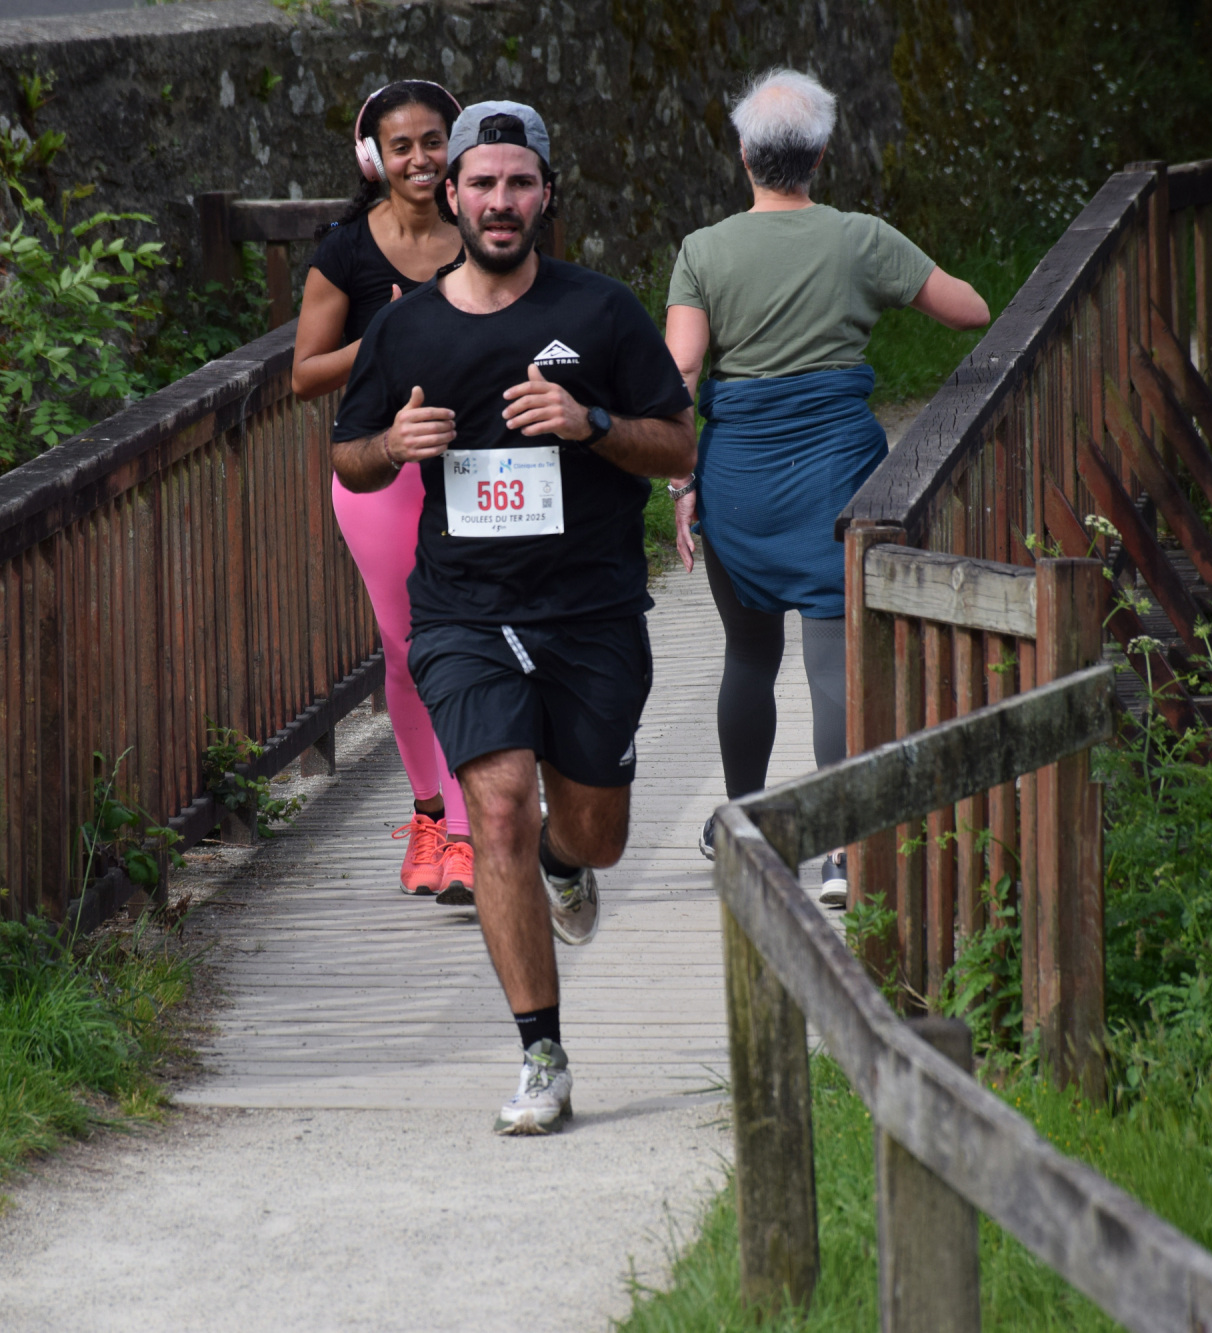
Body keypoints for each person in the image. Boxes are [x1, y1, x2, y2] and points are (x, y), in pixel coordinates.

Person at [331, 100, 696, 1134]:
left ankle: (566, 865)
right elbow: (348, 456)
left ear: (545, 196)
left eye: (519, 183)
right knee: (495, 812)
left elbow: (679, 444)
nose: (500, 201)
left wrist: (590, 423)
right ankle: (542, 1054)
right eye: (482, 183)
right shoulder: (405, 326)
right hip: (463, 612)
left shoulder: (601, 312)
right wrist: (393, 445)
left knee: (593, 832)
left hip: (591, 610)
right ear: (450, 194)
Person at [662, 68, 990, 905]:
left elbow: (681, 372)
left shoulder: (703, 251)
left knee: (748, 655)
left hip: (738, 477)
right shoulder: (859, 237)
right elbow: (970, 310)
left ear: (744, 155)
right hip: (838, 471)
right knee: (834, 663)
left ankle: (747, 827)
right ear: (819, 155)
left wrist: (682, 482)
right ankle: (845, 847)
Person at [292, 80, 478, 901]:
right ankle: (431, 816)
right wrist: (385, 334)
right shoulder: (345, 251)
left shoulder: (485, 228)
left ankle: (470, 835)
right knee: (406, 651)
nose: (420, 159)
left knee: (468, 639)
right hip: (380, 476)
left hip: (476, 467)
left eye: (434, 141)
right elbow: (304, 373)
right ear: (374, 157)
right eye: (401, 146)